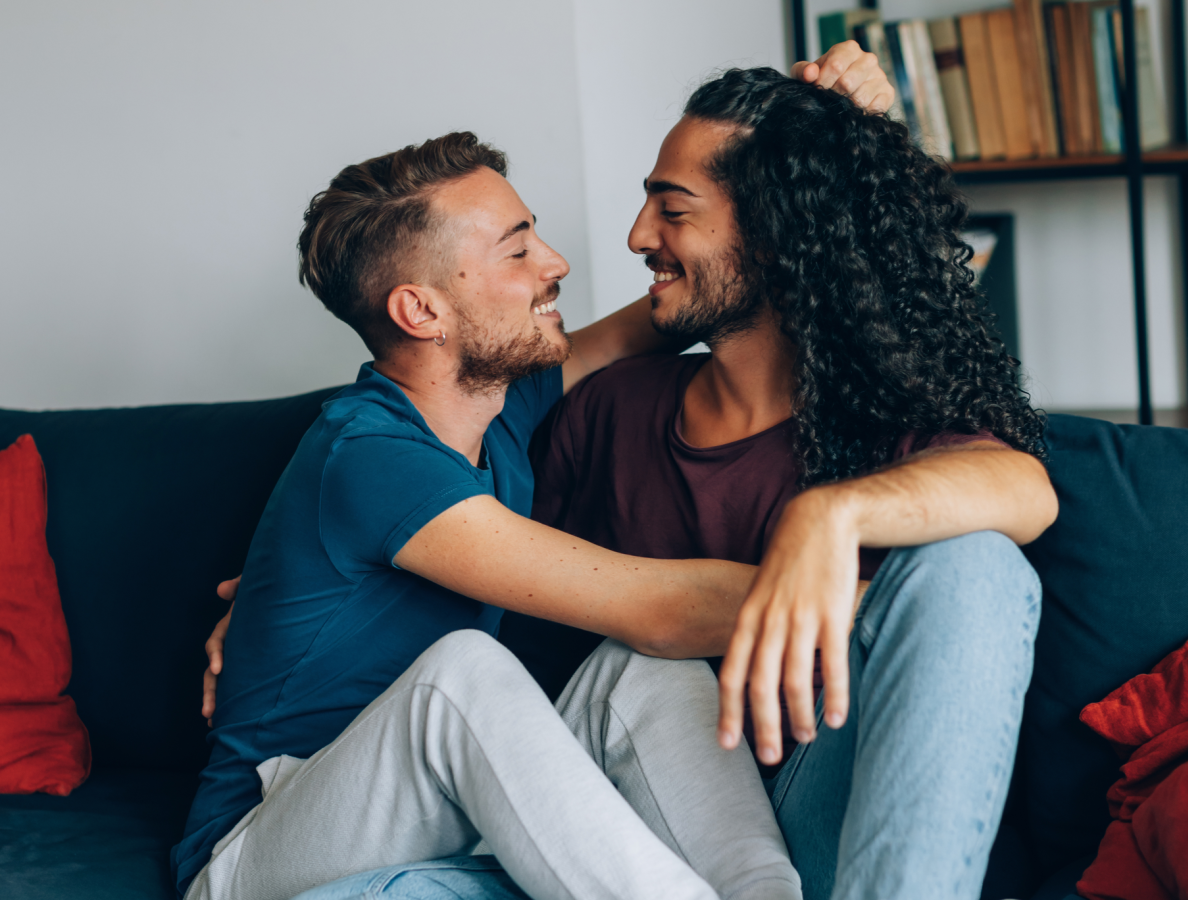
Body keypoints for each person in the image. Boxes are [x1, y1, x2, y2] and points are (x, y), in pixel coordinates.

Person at [273, 66, 1058, 900]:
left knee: (975, 565)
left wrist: (831, 519)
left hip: (833, 815)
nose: (623, 239)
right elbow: (641, 605)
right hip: (604, 824)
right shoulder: (570, 414)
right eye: (518, 248)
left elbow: (1026, 493)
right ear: (419, 309)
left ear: (779, 235)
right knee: (625, 664)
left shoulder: (864, 418)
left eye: (672, 209)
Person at [177, 45, 898, 900]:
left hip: (431, 823)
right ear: (421, 310)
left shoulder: (501, 408)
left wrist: (853, 144)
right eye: (517, 250)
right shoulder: (367, 453)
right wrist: (880, 607)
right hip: (261, 844)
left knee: (645, 672)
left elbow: (688, 303)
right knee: (465, 676)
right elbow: (658, 604)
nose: (556, 263)